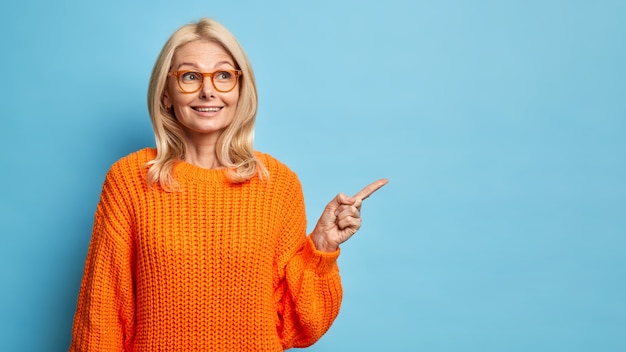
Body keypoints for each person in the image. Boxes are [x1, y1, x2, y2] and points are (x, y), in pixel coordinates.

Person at [69, 18, 387, 352]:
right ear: (166, 94)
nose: (208, 90)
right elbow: (103, 312)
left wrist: (321, 247)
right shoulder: (130, 179)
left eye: (223, 76)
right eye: (190, 77)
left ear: (239, 90)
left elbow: (297, 326)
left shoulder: (278, 184)